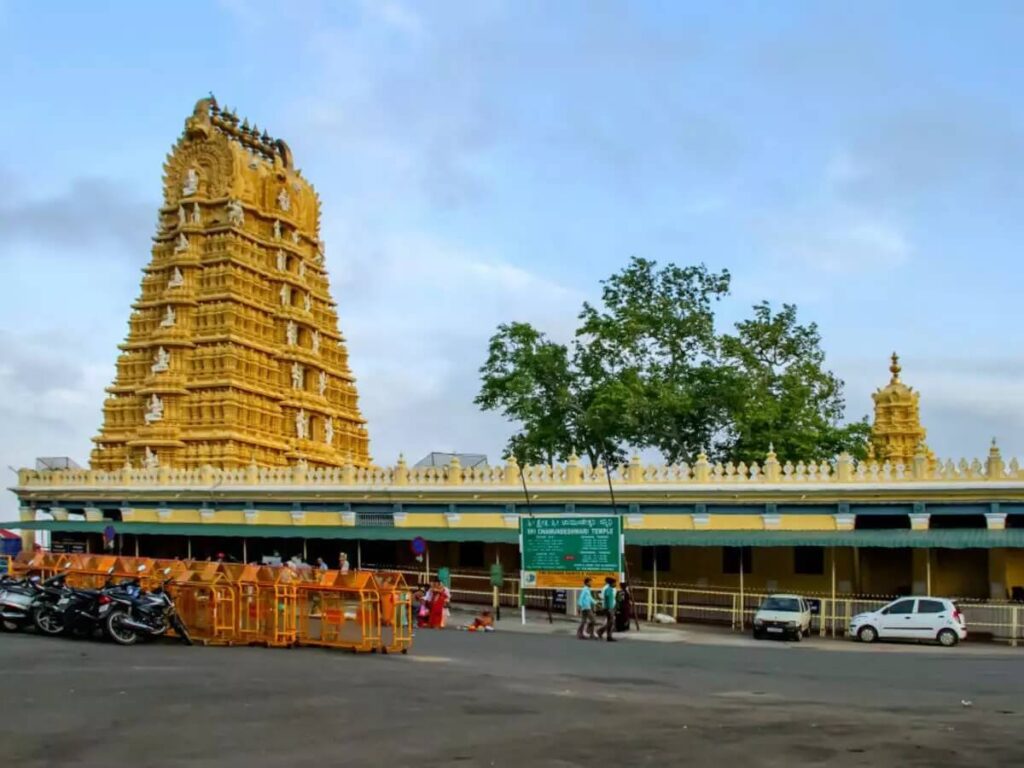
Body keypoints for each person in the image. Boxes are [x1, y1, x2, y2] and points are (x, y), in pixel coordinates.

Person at [596, 576, 617, 642]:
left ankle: (603, 633)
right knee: (611, 622)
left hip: (609, 608)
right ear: (611, 583)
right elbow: (608, 600)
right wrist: (609, 609)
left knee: (610, 622)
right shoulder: (608, 589)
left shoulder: (609, 589)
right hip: (609, 608)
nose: (615, 584)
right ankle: (607, 635)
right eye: (614, 583)